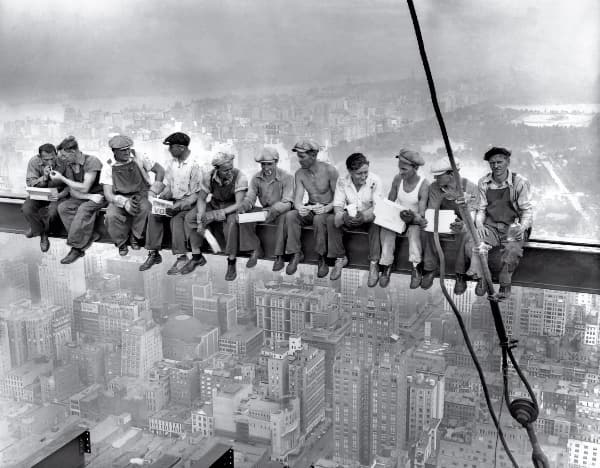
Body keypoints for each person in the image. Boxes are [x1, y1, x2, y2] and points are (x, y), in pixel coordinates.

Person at [466, 147, 533, 299]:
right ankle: (483, 277)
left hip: (513, 226)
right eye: (492, 163)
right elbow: (481, 209)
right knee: (475, 242)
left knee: (512, 250)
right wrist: (480, 225)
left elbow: (527, 210)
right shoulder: (483, 182)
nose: (496, 166)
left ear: (507, 162)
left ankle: (505, 283)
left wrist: (521, 228)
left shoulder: (519, 182)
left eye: (499, 162)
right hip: (491, 226)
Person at [139, 132, 203, 275]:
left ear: (180, 147)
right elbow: (167, 185)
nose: (169, 151)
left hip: (189, 204)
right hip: (174, 201)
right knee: (154, 213)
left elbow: (196, 194)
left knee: (176, 219)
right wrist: (154, 194)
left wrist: (178, 206)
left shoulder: (195, 165)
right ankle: (153, 253)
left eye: (171, 147)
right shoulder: (172, 163)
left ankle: (181, 257)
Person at [420, 157, 479, 293]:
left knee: (465, 235)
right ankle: (430, 268)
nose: (435, 178)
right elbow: (432, 209)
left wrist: (462, 224)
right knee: (427, 231)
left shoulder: (470, 187)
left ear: (451, 174)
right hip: (441, 222)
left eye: (439, 176)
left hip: (462, 224)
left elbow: (472, 215)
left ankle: (460, 274)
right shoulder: (435, 187)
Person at [101, 135, 165, 256]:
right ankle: (121, 243)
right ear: (114, 151)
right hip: (119, 197)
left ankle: (136, 237)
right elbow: (108, 194)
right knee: (111, 215)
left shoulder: (138, 156)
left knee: (145, 209)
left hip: (141, 193)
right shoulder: (108, 165)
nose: (127, 152)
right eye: (123, 150)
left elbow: (160, 170)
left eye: (128, 148)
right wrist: (124, 203)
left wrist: (153, 191)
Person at [190, 152, 248, 280]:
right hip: (215, 204)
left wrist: (216, 214)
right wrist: (201, 217)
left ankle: (231, 261)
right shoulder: (208, 177)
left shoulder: (240, 177)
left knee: (232, 224)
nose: (229, 172)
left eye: (231, 168)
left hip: (231, 207)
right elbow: (201, 199)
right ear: (217, 169)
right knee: (194, 218)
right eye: (225, 170)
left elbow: (239, 204)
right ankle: (198, 254)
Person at [285, 139, 338, 277]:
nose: (299, 160)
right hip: (311, 207)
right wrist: (300, 207)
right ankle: (296, 253)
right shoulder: (300, 174)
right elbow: (297, 199)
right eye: (298, 156)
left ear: (313, 156)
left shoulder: (330, 171)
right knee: (291, 216)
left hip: (328, 209)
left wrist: (326, 209)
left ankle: (322, 258)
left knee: (319, 220)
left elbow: (339, 199)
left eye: (302, 156)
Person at [50, 136, 106, 264]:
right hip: (88, 197)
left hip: (100, 196)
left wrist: (62, 179)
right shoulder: (69, 165)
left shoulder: (92, 161)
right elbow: (73, 190)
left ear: (73, 152)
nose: (62, 159)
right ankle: (90, 235)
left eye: (64, 156)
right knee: (63, 207)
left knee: (83, 209)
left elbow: (85, 187)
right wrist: (88, 197)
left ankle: (76, 248)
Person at [329, 153, 383, 284]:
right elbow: (338, 204)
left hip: (369, 216)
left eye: (366, 172)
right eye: (359, 173)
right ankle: (340, 258)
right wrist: (344, 216)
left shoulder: (375, 180)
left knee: (377, 223)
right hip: (350, 216)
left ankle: (374, 263)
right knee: (331, 221)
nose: (364, 176)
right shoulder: (342, 181)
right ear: (350, 171)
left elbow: (378, 206)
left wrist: (364, 216)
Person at [379, 149, 429, 288]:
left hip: (413, 219)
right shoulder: (397, 179)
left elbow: (422, 212)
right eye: (399, 168)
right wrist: (388, 214)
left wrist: (412, 217)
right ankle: (387, 264)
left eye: (404, 169)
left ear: (415, 168)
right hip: (398, 216)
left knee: (414, 233)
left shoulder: (424, 185)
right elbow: (390, 201)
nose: (401, 172)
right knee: (387, 230)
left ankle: (415, 266)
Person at [237, 147, 294, 270]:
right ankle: (256, 248)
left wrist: (274, 210)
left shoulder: (287, 177)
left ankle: (279, 256)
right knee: (244, 218)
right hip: (265, 211)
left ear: (276, 162)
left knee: (283, 219)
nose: (266, 168)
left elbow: (288, 201)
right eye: (263, 165)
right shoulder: (256, 178)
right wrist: (244, 206)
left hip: (281, 211)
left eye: (269, 164)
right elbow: (250, 197)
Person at [22, 143, 69, 252]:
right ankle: (41, 232)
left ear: (56, 154)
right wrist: (44, 178)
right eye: (46, 160)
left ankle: (38, 230)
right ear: (40, 157)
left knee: (53, 213)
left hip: (57, 194)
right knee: (27, 209)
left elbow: (70, 185)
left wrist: (60, 195)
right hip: (39, 193)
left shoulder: (64, 162)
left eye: (52, 159)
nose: (50, 162)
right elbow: (30, 183)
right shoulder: (34, 162)